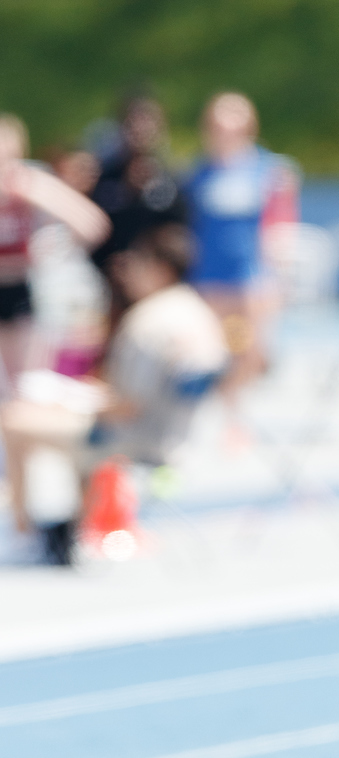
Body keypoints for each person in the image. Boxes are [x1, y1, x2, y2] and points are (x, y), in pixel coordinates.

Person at [1, 224, 227, 560]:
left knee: (14, 420)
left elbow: (127, 406)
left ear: (159, 269)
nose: (128, 272)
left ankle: (26, 532)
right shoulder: (198, 310)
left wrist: (68, 399)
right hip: (177, 434)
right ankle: (70, 526)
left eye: (136, 263)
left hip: (135, 438)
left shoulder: (149, 321)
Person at [183, 92, 299, 407]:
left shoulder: (270, 170)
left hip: (251, 274)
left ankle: (233, 408)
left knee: (252, 350)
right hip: (209, 274)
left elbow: (279, 227)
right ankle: (221, 410)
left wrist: (276, 276)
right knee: (213, 349)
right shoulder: (198, 173)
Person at [0, 113, 110, 392]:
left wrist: (48, 249)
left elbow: (92, 225)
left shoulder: (28, 182)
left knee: (22, 385)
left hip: (19, 290)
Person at [89, 95, 186, 315]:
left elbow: (181, 236)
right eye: (133, 123)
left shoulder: (171, 180)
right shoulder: (105, 178)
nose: (140, 131)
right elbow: (95, 230)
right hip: (110, 285)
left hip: (158, 285)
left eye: (148, 123)